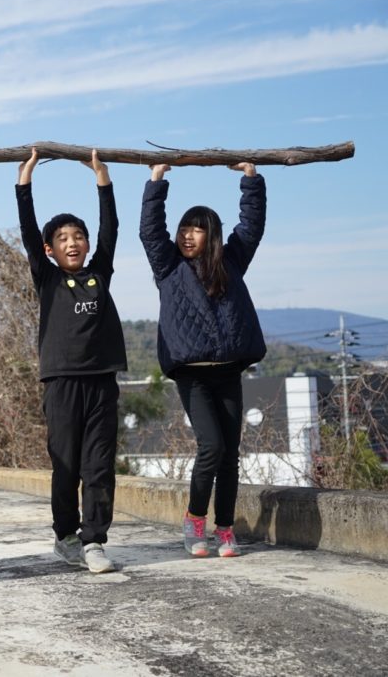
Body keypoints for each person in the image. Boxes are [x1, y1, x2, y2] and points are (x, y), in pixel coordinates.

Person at [139, 162, 266, 558]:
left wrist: (251, 179)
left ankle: (225, 529)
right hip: (191, 376)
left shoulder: (231, 262)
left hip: (227, 372)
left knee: (230, 456)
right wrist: (156, 181)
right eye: (184, 228)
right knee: (210, 446)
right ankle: (195, 520)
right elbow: (150, 231)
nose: (186, 235)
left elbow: (251, 227)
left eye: (196, 229)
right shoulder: (168, 266)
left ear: (211, 234)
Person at [16, 148, 127, 574]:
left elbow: (110, 228)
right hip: (61, 382)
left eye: (77, 236)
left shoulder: (99, 272)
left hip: (101, 381)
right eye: (62, 239)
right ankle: (66, 536)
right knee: (65, 466)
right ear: (50, 249)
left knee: (98, 466)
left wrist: (102, 179)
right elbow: (28, 232)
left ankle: (94, 540)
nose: (72, 243)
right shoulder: (47, 277)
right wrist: (24, 181)